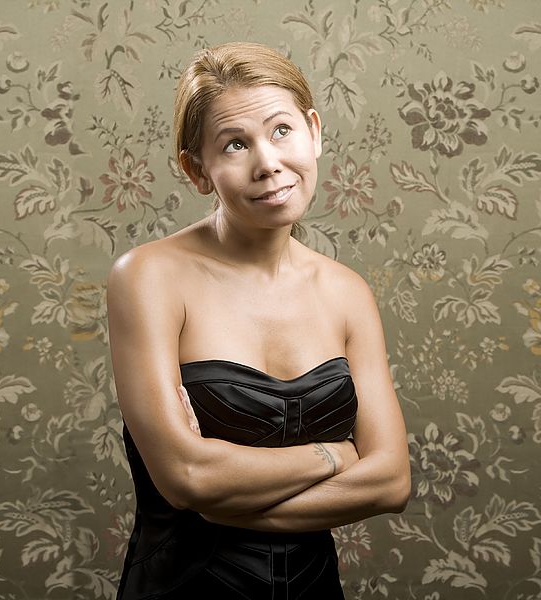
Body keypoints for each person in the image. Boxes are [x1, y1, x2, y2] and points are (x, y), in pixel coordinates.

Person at [106, 41, 411, 599]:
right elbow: (186, 478)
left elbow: (390, 481)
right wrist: (335, 455)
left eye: (281, 131)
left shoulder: (347, 293)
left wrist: (225, 494)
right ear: (197, 170)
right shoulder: (148, 277)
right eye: (234, 144)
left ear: (314, 132)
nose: (267, 162)